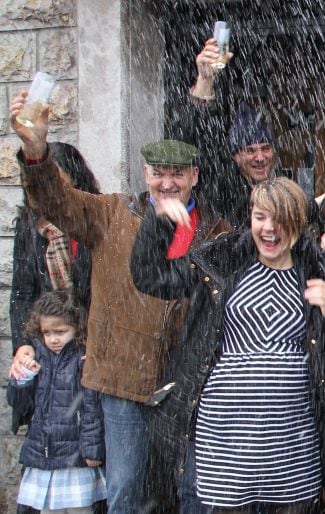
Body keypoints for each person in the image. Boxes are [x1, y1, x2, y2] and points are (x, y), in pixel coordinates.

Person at [9, 91, 231, 514]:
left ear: (195, 176)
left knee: (197, 495)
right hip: (125, 380)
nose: (167, 182)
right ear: (145, 172)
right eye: (158, 172)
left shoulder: (219, 233)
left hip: (191, 388)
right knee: (126, 492)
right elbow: (55, 201)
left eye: (178, 173)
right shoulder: (112, 214)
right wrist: (36, 152)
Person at [130, 177, 325, 514]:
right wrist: (158, 223)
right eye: (260, 217)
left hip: (292, 435)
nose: (269, 229)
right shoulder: (222, 260)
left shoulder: (319, 270)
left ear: (298, 224)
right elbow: (150, 276)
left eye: (280, 219)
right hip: (225, 432)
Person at [10, 142, 99, 435]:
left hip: (88, 342)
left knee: (89, 429)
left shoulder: (95, 220)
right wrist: (23, 344)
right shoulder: (29, 226)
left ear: (75, 180)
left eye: (56, 182)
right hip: (48, 341)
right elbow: (23, 291)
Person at [7, 290, 106, 514]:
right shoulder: (37, 356)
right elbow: (19, 404)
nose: (53, 339)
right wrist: (22, 380)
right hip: (44, 454)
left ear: (76, 327)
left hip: (75, 459)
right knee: (48, 509)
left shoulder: (82, 358)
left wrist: (92, 450)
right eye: (47, 332)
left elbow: (91, 408)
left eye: (61, 332)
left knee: (80, 508)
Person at [172, 36, 279, 229]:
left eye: (266, 148)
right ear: (235, 156)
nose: (260, 157)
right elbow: (190, 142)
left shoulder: (281, 189)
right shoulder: (222, 185)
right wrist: (205, 82)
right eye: (250, 150)